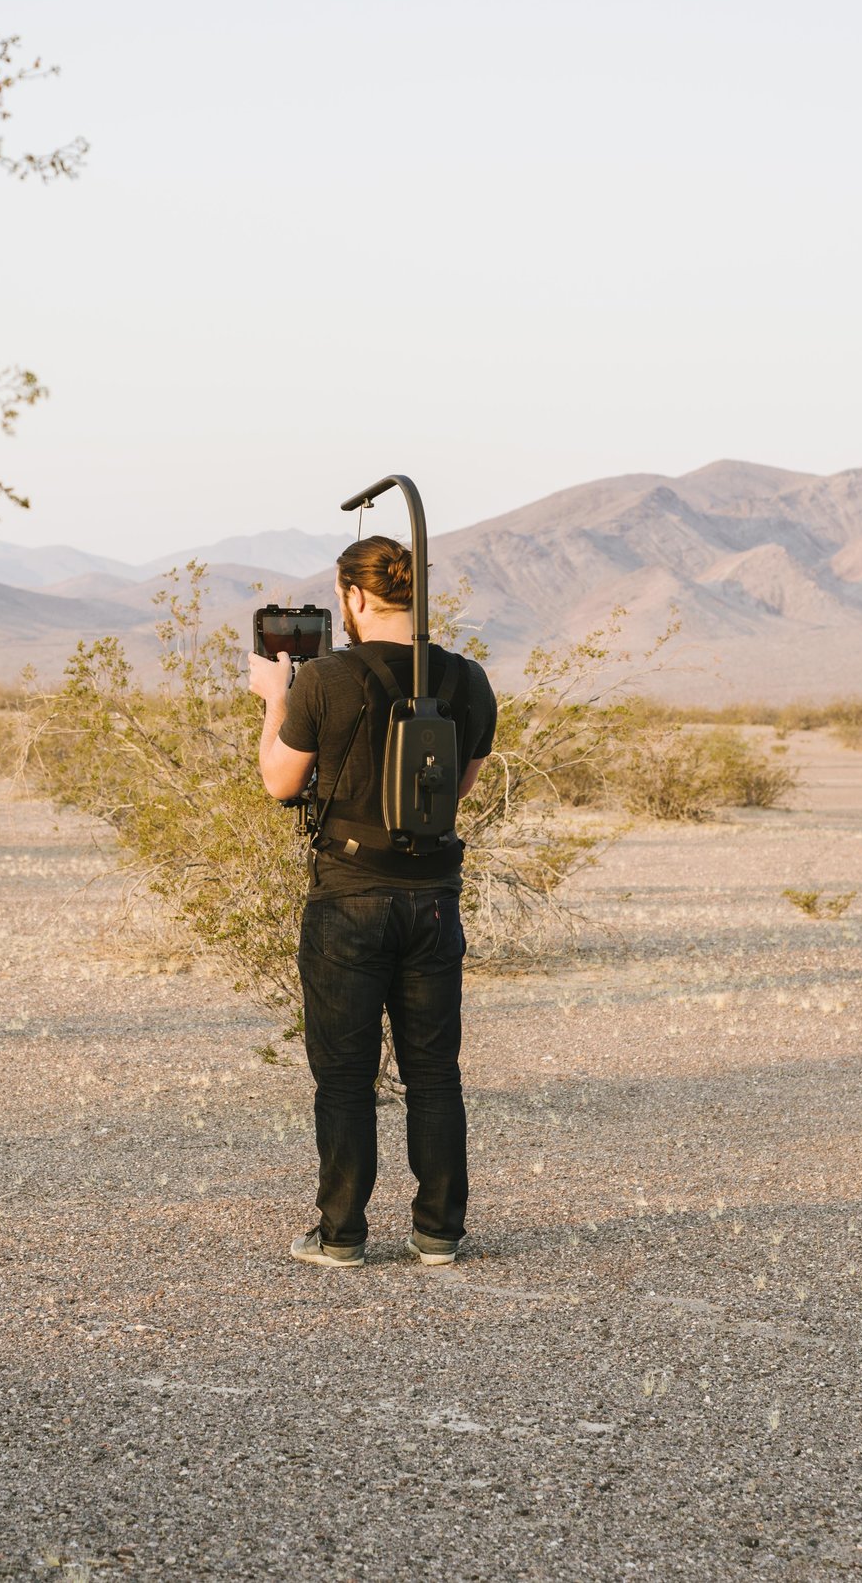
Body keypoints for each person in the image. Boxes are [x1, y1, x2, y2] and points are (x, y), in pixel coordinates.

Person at [247, 536, 498, 1267]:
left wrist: (275, 702)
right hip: (431, 902)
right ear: (413, 593)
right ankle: (439, 1233)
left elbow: (279, 782)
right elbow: (454, 793)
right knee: (434, 1071)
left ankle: (342, 1234)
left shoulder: (322, 680)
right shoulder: (470, 680)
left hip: (348, 900)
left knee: (346, 1075)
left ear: (351, 598)